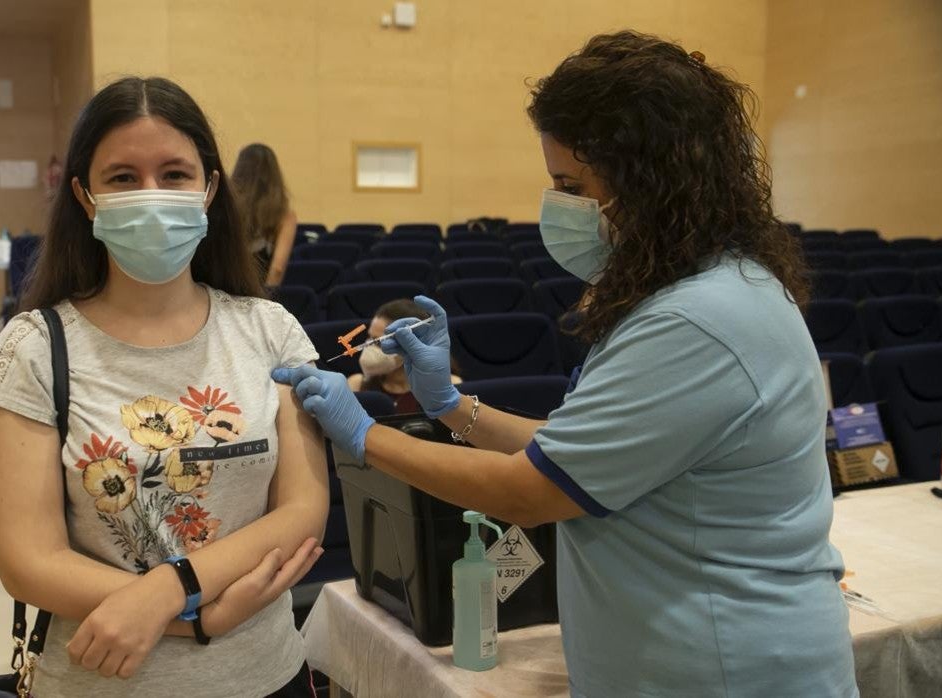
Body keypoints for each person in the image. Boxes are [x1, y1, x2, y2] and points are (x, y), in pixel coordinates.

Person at [275, 31, 857, 697]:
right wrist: (449, 407)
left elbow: (530, 491)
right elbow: (577, 452)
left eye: (572, 185)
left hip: (723, 672)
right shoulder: (713, 290)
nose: (560, 205)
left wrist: (364, 434)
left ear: (651, 183)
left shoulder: (696, 321)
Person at [0, 76, 328, 697]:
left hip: (269, 675)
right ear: (85, 197)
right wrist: (199, 620)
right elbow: (28, 562)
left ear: (209, 188)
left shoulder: (271, 331)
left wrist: (170, 588)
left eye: (175, 174)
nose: (152, 195)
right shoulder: (33, 348)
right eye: (123, 178)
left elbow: (302, 513)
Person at [346, 298, 461, 414]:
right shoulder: (356, 385)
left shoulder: (450, 385)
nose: (369, 348)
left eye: (378, 342)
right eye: (370, 339)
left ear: (411, 343)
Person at [230, 143, 297, 286]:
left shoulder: (227, 207)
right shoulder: (284, 215)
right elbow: (277, 270)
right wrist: (264, 297)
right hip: (260, 291)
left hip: (225, 289)